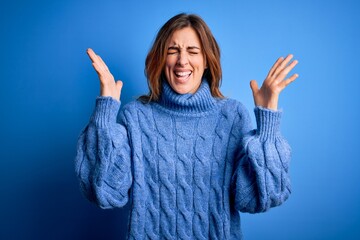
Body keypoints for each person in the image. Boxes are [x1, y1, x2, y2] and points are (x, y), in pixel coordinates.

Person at [75, 13, 298, 239]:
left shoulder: (232, 116)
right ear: (161, 60)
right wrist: (106, 111)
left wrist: (267, 125)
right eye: (173, 51)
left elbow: (255, 199)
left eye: (193, 51)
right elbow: (106, 192)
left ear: (207, 61)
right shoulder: (136, 117)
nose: (182, 61)